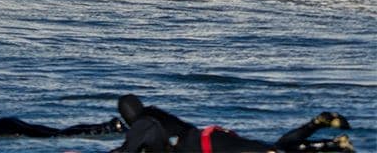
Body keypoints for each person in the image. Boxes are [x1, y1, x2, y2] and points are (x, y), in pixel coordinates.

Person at [114, 94, 352, 153]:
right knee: (273, 147)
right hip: (213, 137)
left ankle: (331, 145)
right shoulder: (157, 115)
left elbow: (127, 150)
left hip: (212, 145)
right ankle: (324, 136)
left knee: (270, 151)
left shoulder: (143, 124)